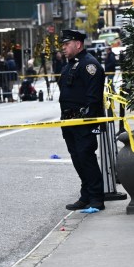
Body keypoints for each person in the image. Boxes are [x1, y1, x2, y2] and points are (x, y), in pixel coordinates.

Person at [58, 29, 105, 211]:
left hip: (82, 121)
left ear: (78, 44)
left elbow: (93, 98)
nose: (63, 48)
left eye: (66, 44)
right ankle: (86, 195)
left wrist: (88, 120)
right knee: (77, 159)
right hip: (69, 121)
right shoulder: (70, 65)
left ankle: (96, 198)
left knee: (86, 158)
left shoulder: (89, 65)